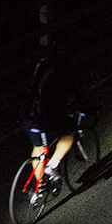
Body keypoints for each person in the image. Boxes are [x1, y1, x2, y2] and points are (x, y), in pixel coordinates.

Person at [22, 48, 83, 188]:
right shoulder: (61, 73)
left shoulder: (39, 69)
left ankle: (40, 185)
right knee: (68, 135)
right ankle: (52, 166)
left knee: (38, 148)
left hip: (27, 113)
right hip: (43, 115)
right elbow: (70, 96)